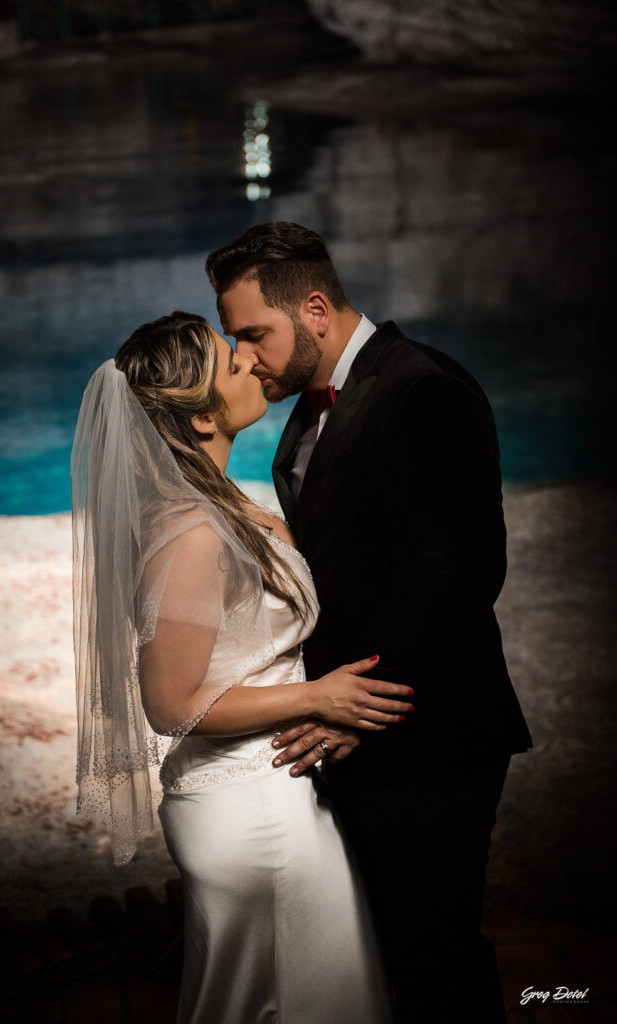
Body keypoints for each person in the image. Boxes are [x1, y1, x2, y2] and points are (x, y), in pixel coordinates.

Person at [205, 223, 533, 1024]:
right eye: (236, 339)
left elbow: (464, 570)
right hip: (347, 728)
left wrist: (366, 707)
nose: (245, 356)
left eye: (255, 333)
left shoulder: (427, 390)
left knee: (437, 957)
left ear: (315, 308)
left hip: (428, 734)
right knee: (389, 950)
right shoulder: (308, 410)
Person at [71, 311, 411, 1023]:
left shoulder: (223, 506)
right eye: (231, 362)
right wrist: (319, 698)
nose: (249, 362)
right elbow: (169, 704)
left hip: (277, 790)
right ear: (199, 422)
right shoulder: (191, 536)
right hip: (252, 814)